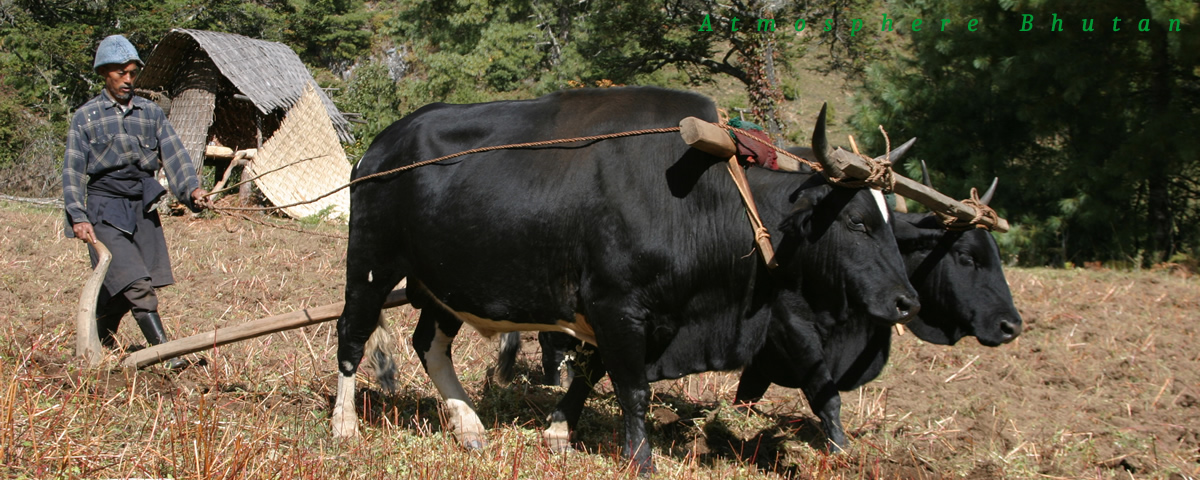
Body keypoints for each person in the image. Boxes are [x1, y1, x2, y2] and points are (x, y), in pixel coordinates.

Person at [62, 34, 210, 366]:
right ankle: (167, 355)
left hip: (141, 209)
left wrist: (192, 191)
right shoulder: (86, 117)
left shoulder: (151, 114)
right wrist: (78, 216)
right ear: (104, 73)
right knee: (138, 284)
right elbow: (72, 173)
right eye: (120, 73)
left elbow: (176, 157)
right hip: (103, 211)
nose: (128, 80)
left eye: (132, 73)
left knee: (122, 288)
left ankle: (97, 343)